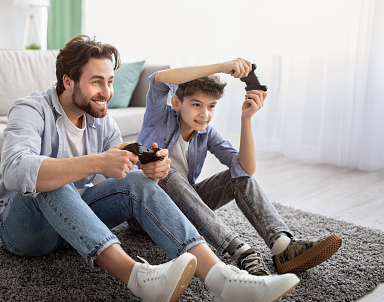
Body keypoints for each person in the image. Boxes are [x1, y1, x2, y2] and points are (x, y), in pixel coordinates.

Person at [0, 35, 300, 302]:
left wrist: (148, 165)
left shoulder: (101, 121)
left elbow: (120, 164)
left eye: (109, 82)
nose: (107, 93)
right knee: (51, 178)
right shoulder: (31, 109)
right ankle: (138, 279)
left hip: (72, 223)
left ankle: (223, 279)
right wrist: (99, 161)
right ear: (68, 81)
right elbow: (17, 170)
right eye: (96, 82)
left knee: (137, 181)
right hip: (25, 231)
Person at [134, 58, 342, 276]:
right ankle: (242, 252)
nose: (205, 114)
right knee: (166, 171)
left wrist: (246, 119)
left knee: (237, 176)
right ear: (176, 103)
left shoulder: (207, 133)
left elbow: (245, 171)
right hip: (146, 209)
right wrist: (222, 67)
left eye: (211, 106)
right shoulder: (158, 118)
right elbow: (158, 79)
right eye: (196, 104)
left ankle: (282, 247)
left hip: (184, 207)